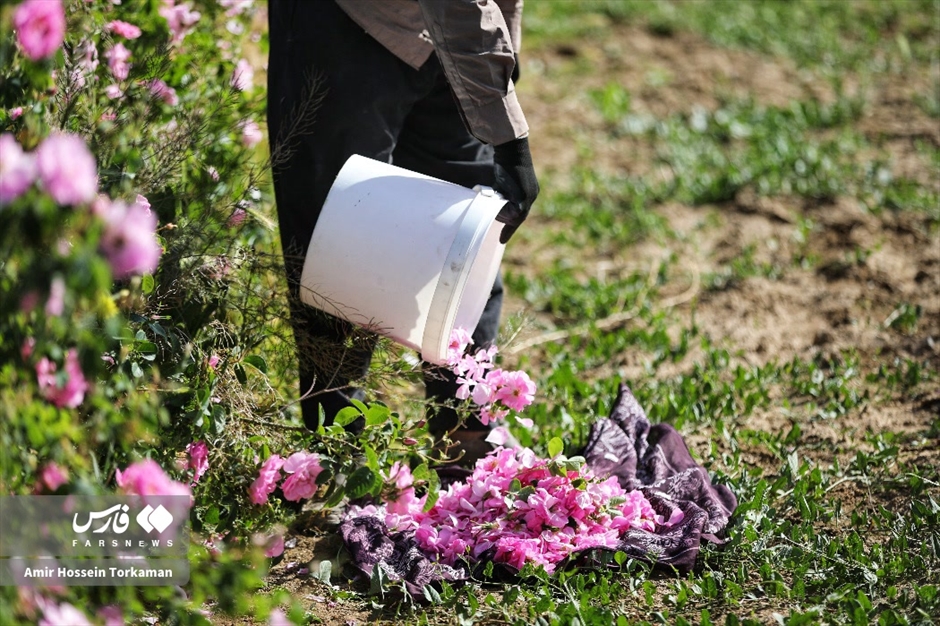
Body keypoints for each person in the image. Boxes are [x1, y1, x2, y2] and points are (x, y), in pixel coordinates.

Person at [266, 0, 539, 453]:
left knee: (465, 230)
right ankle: (339, 450)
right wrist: (509, 138)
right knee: (341, 237)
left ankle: (466, 434)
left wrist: (498, 72)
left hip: (457, 30)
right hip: (345, 19)